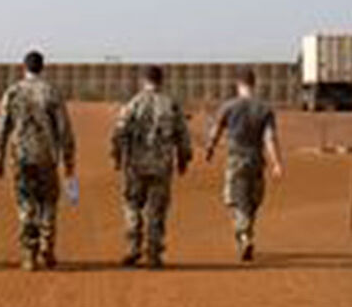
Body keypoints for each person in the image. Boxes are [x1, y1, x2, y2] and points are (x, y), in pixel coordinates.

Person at [0, 50, 75, 271]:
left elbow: (2, 128)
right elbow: (64, 129)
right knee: (48, 202)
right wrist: (69, 161)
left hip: (20, 158)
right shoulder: (51, 92)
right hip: (46, 157)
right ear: (42, 67)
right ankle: (47, 246)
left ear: (24, 67)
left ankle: (29, 254)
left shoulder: (12, 92)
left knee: (26, 204)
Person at [110, 65, 192, 269]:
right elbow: (183, 135)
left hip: (135, 166)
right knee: (157, 209)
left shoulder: (134, 103)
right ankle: (154, 252)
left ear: (143, 80)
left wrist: (117, 156)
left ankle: (133, 248)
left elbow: (119, 131)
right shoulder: (170, 104)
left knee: (132, 205)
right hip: (161, 166)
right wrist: (183, 159)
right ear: (161, 80)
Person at [204, 67, 285, 262]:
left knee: (234, 199)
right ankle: (245, 234)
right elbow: (269, 138)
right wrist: (276, 163)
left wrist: (210, 148)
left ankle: (244, 235)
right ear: (254, 83)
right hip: (256, 160)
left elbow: (216, 129)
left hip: (236, 159)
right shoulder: (264, 109)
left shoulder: (229, 106)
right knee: (251, 200)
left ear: (238, 84)